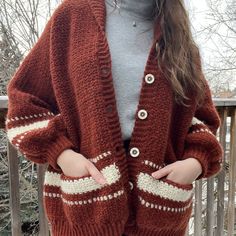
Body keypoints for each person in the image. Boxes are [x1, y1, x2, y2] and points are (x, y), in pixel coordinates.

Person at [5, 0, 224, 235]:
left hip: (161, 206)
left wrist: (194, 162)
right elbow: (23, 102)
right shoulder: (72, 16)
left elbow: (201, 117)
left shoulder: (176, 30)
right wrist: (63, 154)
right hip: (86, 203)